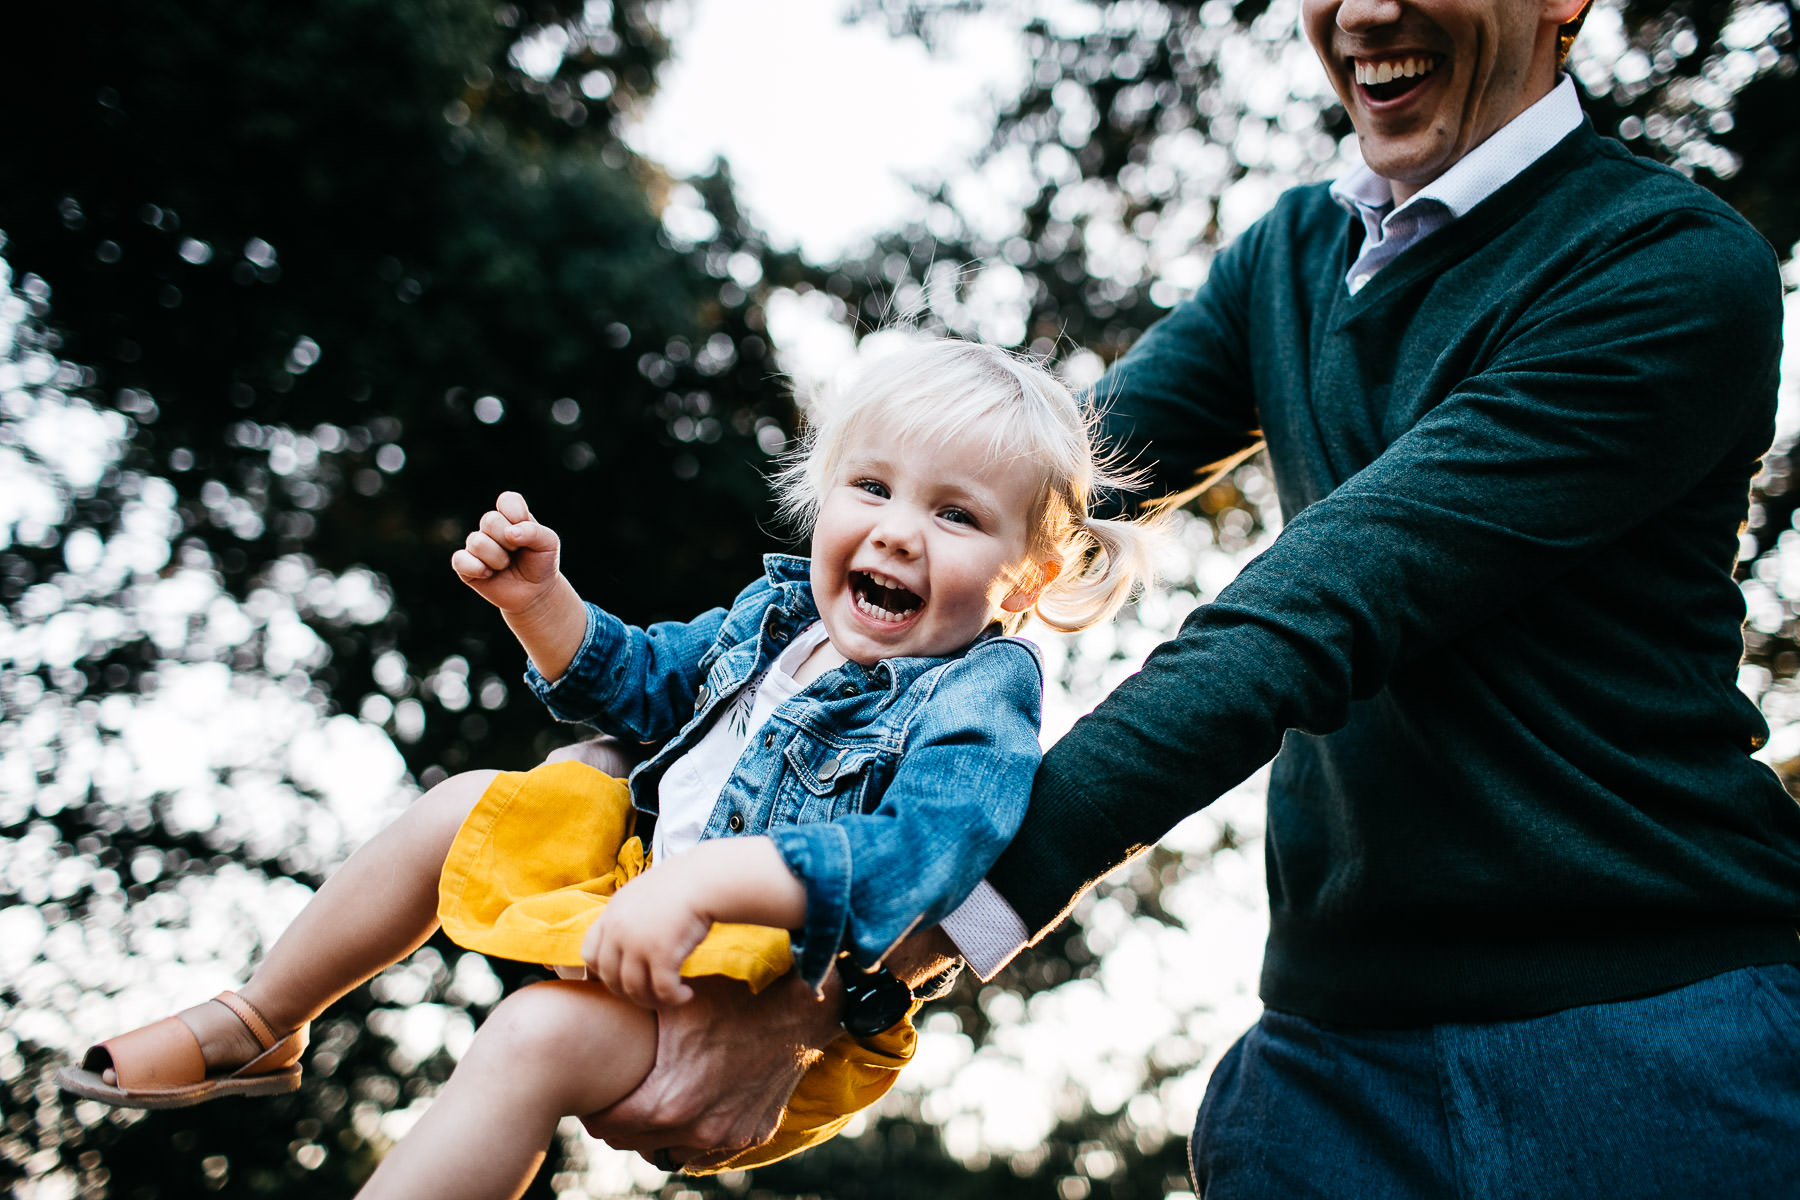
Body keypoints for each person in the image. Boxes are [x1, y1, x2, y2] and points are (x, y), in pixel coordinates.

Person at [576, 0, 1800, 1194]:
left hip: (1653, 1034)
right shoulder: (1293, 255)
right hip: (1327, 1068)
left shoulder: (1668, 268)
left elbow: (1307, 616)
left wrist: (858, 978)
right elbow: (1014, 504)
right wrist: (683, 740)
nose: (1365, 13)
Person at [55, 337, 1163, 1198]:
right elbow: (640, 682)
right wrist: (542, 605)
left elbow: (931, 849)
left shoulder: (980, 686)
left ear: (1027, 580)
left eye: (956, 514)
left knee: (530, 1036)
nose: (899, 532)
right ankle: (260, 1021)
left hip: (763, 991)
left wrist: (722, 881)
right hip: (637, 901)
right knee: (471, 807)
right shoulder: (777, 619)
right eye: (872, 487)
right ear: (823, 497)